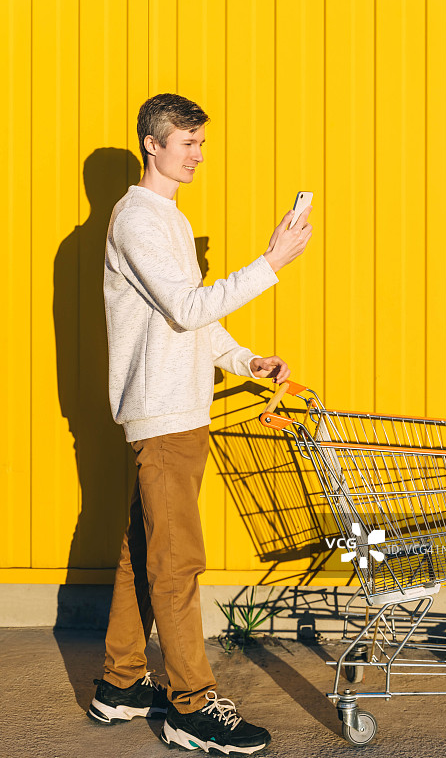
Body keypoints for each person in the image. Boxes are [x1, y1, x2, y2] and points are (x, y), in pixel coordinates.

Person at [87, 93, 313, 754]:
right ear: (151, 145)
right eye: (187, 142)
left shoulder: (170, 221)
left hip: (179, 407)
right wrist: (271, 262)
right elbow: (186, 309)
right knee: (177, 562)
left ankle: (120, 685)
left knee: (143, 551)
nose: (198, 154)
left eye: (200, 142)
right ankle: (190, 705)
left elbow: (194, 318)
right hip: (163, 413)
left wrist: (245, 360)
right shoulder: (138, 220)